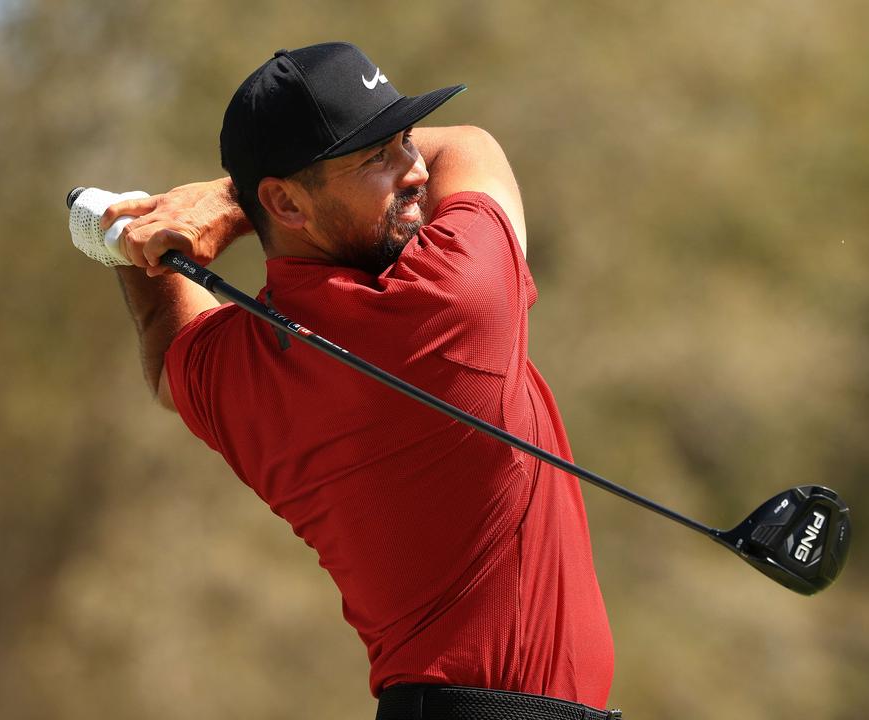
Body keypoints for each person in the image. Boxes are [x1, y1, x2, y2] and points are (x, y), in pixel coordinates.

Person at [102, 42, 617, 719]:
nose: (415, 169)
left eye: (405, 139)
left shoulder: (241, 372)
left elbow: (168, 348)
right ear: (285, 203)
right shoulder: (451, 300)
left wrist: (128, 238)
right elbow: (471, 145)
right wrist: (226, 200)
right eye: (376, 157)